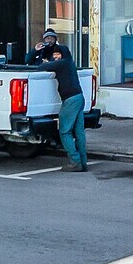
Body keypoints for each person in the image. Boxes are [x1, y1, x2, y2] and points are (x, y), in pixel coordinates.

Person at [33, 29, 88, 171]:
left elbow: (40, 66)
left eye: (57, 54)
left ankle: (75, 162)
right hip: (79, 98)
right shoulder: (69, 63)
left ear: (62, 54)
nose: (55, 57)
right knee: (79, 132)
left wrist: (43, 58)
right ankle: (83, 162)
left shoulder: (61, 63)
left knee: (65, 131)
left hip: (70, 100)